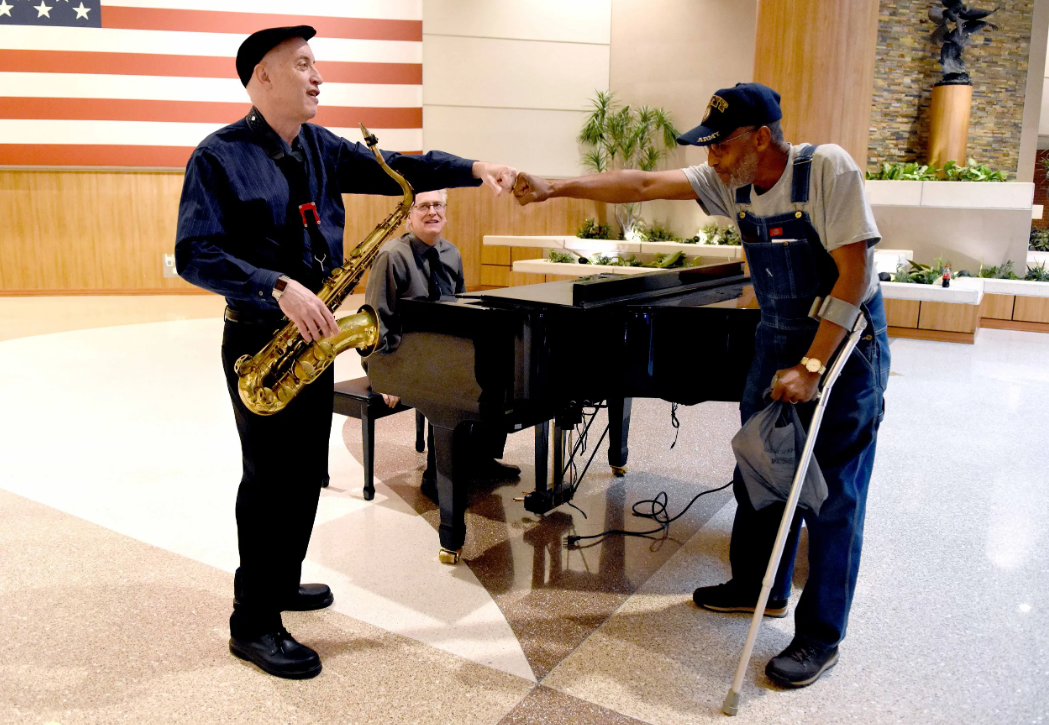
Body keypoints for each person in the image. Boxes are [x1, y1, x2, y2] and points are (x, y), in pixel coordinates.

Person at [513, 82, 889, 689]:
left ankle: (821, 636)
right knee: (762, 468)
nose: (710, 158)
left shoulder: (826, 170)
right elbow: (639, 184)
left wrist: (814, 365)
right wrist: (555, 186)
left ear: (760, 138)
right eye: (708, 147)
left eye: (720, 145)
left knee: (833, 494)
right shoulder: (731, 181)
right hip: (777, 337)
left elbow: (855, 272)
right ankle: (754, 587)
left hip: (845, 345)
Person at [175, 25, 517, 680]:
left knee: (306, 472)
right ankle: (253, 619)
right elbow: (195, 252)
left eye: (316, 64)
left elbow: (402, 171)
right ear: (263, 77)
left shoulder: (323, 149)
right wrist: (274, 285)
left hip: (320, 333)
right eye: (303, 65)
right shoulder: (217, 156)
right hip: (260, 337)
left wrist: (474, 169)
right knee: (269, 476)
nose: (318, 76)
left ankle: (282, 580)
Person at [362, 189, 520, 503]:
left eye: (438, 205)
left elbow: (462, 310)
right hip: (402, 354)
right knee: (449, 384)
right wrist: (384, 374)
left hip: (442, 347)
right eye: (424, 206)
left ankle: (481, 457)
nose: (433, 212)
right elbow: (376, 320)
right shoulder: (392, 255)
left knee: (502, 368)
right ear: (408, 216)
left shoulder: (452, 253)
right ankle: (437, 476)